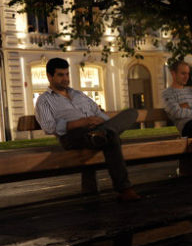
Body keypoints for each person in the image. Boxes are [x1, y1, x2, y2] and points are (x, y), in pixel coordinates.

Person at [34, 57, 140, 202]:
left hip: (96, 129)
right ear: (49, 76)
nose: (65, 79)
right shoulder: (44, 100)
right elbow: (49, 127)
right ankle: (125, 189)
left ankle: (102, 134)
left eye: (67, 74)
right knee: (112, 137)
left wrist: (102, 122)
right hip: (72, 136)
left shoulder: (79, 94)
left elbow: (99, 114)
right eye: (60, 75)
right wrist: (82, 122)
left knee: (131, 113)